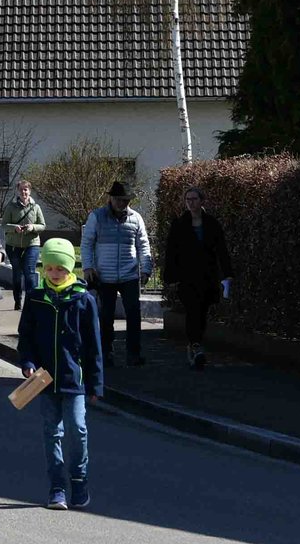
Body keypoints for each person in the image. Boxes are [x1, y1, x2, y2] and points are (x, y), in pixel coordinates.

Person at [18, 238, 104, 510]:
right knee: (51, 433)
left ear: (70, 269)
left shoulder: (83, 299)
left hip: (74, 380)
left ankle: (79, 480)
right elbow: (26, 337)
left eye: (60, 269)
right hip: (45, 380)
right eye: (50, 268)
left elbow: (93, 346)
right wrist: (28, 362)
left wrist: (95, 384)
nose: (54, 274)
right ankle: (56, 487)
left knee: (78, 431)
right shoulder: (35, 298)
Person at [81, 181, 153, 366]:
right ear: (111, 198)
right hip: (105, 275)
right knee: (106, 316)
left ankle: (133, 354)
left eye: (126, 200)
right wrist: (88, 267)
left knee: (134, 314)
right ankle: (106, 353)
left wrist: (146, 268)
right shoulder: (96, 217)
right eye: (119, 200)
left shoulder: (136, 218)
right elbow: (87, 243)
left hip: (129, 274)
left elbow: (143, 245)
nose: (123, 203)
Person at [162, 187, 234, 370]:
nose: (191, 202)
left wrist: (227, 274)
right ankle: (195, 345)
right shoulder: (180, 224)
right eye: (188, 199)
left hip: (207, 276)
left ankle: (196, 343)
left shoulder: (211, 224)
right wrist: (170, 277)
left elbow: (221, 251)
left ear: (202, 201)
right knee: (192, 310)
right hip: (187, 277)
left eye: (194, 199)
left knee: (202, 312)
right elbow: (172, 252)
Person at [3, 180, 47, 311]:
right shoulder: (11, 207)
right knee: (17, 274)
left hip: (31, 244)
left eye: (26, 190)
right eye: (21, 190)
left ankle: (31, 300)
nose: (24, 192)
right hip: (14, 245)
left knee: (29, 272)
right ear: (18, 191)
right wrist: (14, 228)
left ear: (30, 191)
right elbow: (4, 224)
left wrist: (32, 227)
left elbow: (43, 225)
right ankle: (18, 300)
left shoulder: (36, 207)